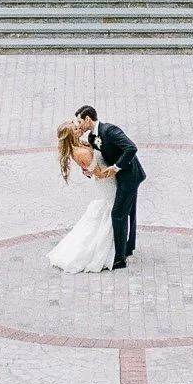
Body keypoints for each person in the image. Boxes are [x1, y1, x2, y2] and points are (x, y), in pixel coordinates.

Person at [76, 105, 144, 268]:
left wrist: (116, 167)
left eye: (80, 122)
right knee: (128, 212)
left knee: (118, 213)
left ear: (88, 119)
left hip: (129, 176)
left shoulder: (110, 131)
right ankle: (128, 248)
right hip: (118, 178)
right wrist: (89, 171)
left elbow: (131, 148)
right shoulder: (92, 138)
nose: (79, 125)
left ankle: (120, 258)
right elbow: (99, 158)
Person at [47, 120, 118, 274]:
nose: (79, 128)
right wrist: (119, 167)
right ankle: (103, 249)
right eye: (75, 128)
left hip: (107, 179)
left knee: (111, 209)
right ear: (70, 135)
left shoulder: (80, 144)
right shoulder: (81, 153)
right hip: (106, 182)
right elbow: (98, 173)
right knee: (113, 208)